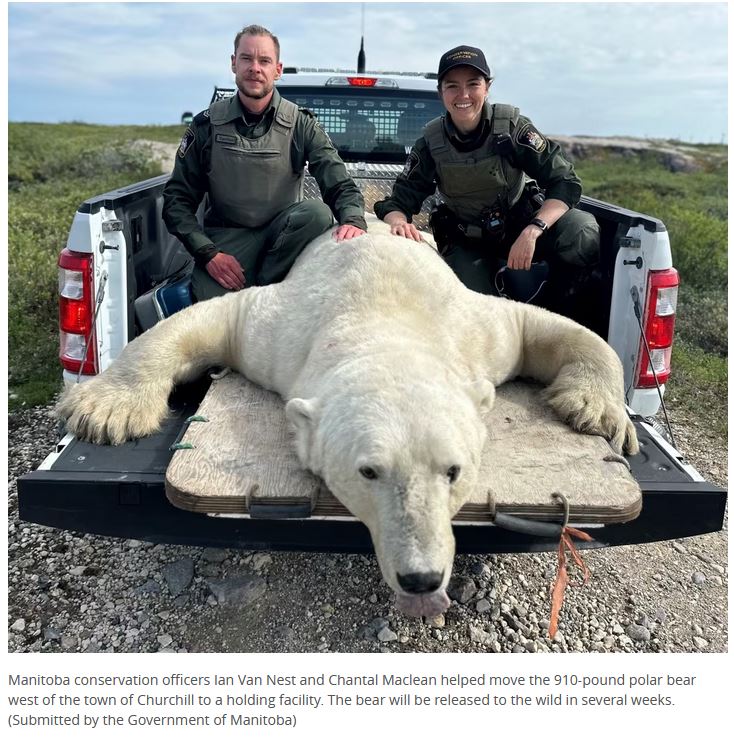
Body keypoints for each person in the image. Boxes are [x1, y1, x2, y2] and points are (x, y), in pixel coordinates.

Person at [374, 45, 600, 311]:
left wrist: (533, 230)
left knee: (582, 231)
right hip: (467, 239)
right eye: (452, 86)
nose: (463, 95)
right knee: (473, 305)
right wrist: (399, 222)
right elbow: (398, 202)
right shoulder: (431, 144)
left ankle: (556, 313)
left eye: (473, 84)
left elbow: (565, 181)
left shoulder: (512, 128)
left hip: (521, 225)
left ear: (487, 87)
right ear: (440, 92)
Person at [163, 25, 367, 301]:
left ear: (277, 69)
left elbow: (337, 180)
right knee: (214, 317)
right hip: (226, 241)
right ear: (233, 63)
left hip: (284, 238)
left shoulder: (300, 124)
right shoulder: (206, 125)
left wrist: (353, 219)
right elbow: (177, 200)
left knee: (317, 213)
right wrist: (208, 254)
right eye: (246, 58)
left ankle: (265, 286)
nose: (255, 68)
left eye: (264, 61)